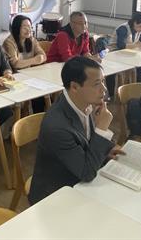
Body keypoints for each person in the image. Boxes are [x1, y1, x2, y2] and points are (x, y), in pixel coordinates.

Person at [28, 56, 123, 205]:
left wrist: (107, 150)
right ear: (74, 87)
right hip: (55, 196)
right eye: (97, 84)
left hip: (79, 178)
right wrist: (102, 130)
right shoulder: (57, 127)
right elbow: (87, 173)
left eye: (103, 81)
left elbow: (86, 141)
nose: (104, 89)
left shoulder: (85, 102)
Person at [111, 12, 141, 82]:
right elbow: (121, 46)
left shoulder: (138, 29)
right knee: (139, 70)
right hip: (114, 54)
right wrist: (139, 45)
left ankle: (136, 86)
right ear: (135, 22)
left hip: (125, 54)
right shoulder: (123, 28)